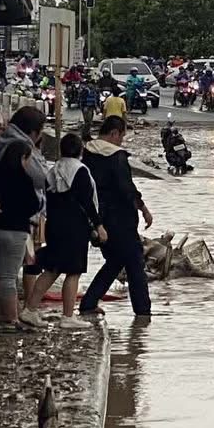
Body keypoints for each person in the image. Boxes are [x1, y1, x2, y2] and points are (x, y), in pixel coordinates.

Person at [0, 106, 47, 333]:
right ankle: (11, 320)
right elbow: (36, 202)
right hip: (15, 231)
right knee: (8, 276)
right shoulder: (24, 180)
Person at [80, 115, 154, 321]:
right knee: (135, 263)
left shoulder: (87, 153)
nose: (121, 141)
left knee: (114, 260)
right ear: (114, 134)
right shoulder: (116, 156)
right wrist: (143, 208)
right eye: (121, 137)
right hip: (120, 219)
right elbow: (126, 188)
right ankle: (143, 313)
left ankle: (88, 303)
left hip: (98, 218)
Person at [27, 132, 101, 329]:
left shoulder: (53, 171)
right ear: (81, 151)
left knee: (52, 269)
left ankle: (30, 309)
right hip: (75, 229)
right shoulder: (80, 171)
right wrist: (98, 226)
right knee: (74, 271)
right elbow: (87, 203)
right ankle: (68, 316)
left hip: (54, 227)